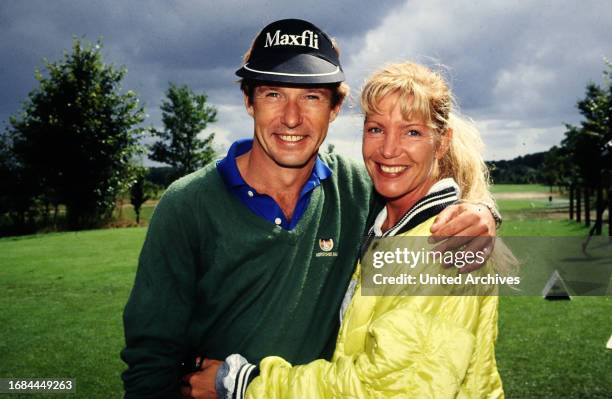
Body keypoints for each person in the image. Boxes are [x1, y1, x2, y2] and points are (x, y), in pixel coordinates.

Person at [121, 19, 499, 399]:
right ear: (248, 100)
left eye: (311, 97)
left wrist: (478, 211)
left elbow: (421, 196)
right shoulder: (187, 204)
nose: (291, 117)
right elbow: (151, 358)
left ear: (334, 108)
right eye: (273, 94)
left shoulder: (358, 190)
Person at [210, 62, 507, 399]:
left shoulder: (446, 247)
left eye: (411, 132)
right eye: (376, 129)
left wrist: (243, 384)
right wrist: (484, 209)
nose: (388, 150)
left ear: (441, 143)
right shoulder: (385, 225)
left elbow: (387, 389)